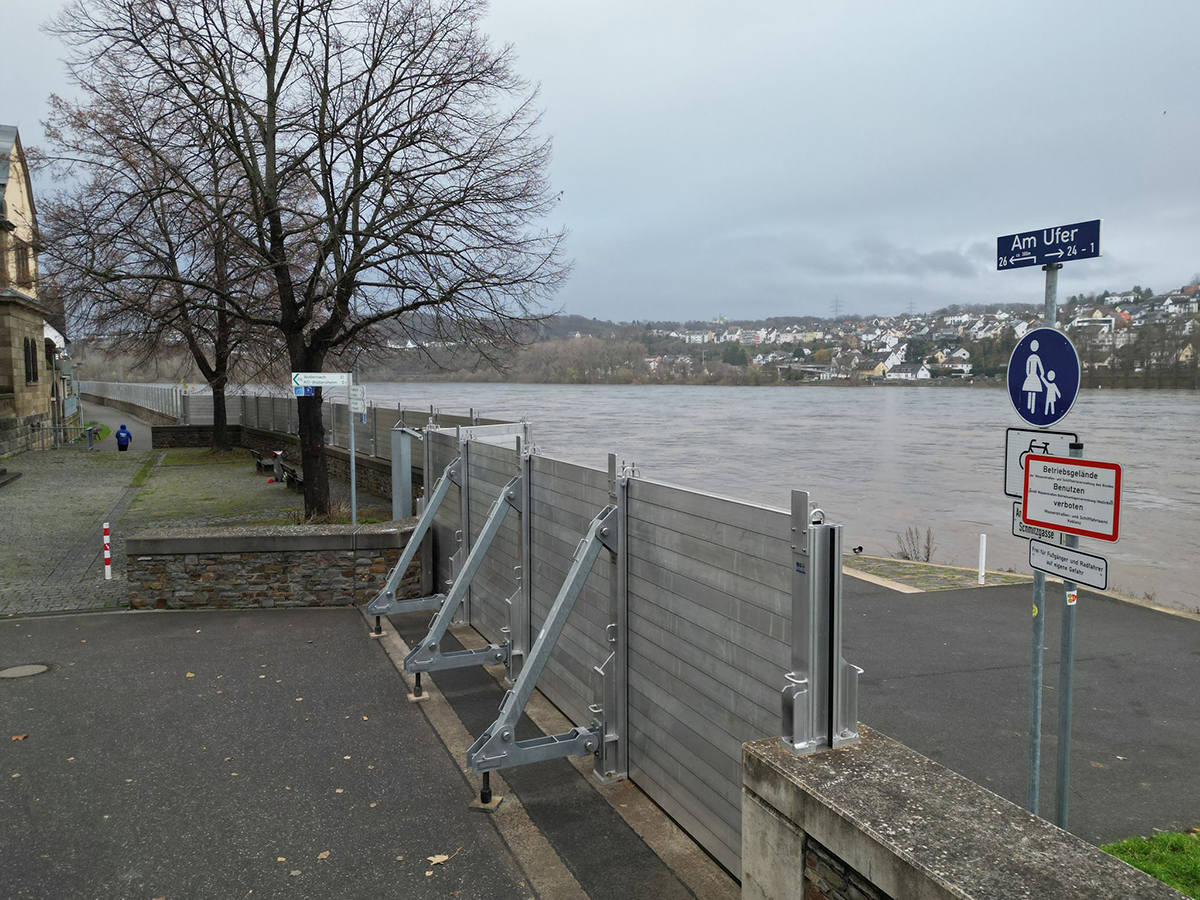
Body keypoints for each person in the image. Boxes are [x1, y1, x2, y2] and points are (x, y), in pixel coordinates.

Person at [1022, 339, 1045, 414]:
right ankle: (1031, 409)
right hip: (1033, 376)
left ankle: (1030, 408)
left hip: (1031, 376)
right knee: (1033, 391)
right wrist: (1042, 373)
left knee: (1031, 391)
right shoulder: (1035, 358)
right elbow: (1040, 367)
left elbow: (1027, 368)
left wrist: (1028, 374)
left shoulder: (1031, 357)